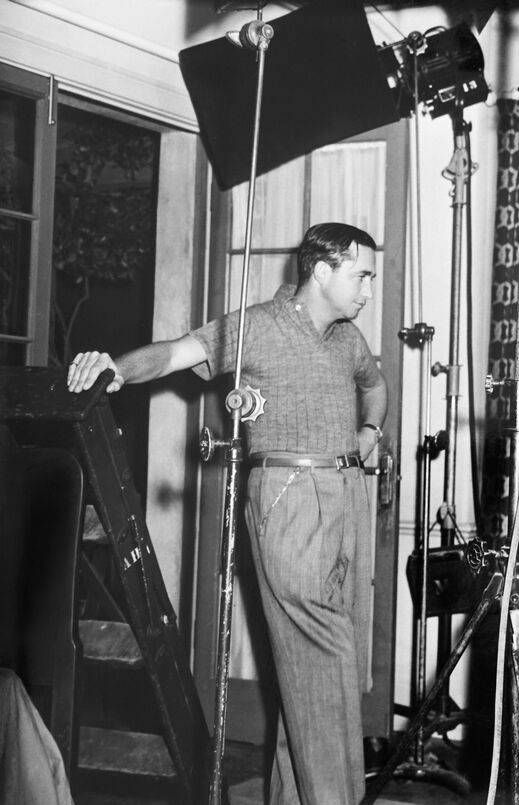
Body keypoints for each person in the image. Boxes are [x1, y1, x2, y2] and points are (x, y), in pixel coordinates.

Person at [67, 222, 387, 804]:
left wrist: (369, 428)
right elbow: (173, 354)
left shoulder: (347, 340)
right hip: (289, 499)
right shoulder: (257, 327)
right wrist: (115, 367)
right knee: (325, 662)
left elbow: (375, 384)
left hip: (348, 500)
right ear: (322, 270)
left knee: (325, 672)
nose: (369, 288)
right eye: (361, 274)